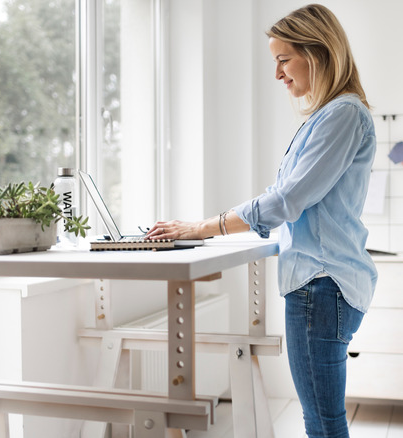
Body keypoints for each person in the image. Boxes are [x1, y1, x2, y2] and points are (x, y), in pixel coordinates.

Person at [146, 4, 376, 437]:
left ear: (319, 52)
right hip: (321, 284)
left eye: (283, 59)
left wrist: (202, 227)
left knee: (323, 423)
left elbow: (286, 200)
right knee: (322, 419)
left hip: (321, 284)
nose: (278, 74)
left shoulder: (342, 114)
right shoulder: (329, 116)